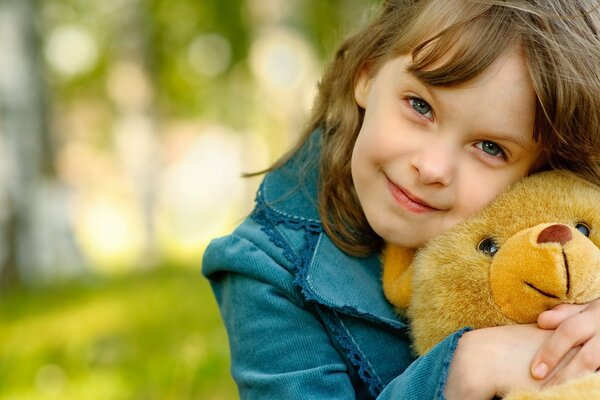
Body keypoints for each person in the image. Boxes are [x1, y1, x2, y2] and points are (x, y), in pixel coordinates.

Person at [203, 0, 600, 398]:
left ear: (539, 169)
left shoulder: (560, 235)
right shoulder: (267, 268)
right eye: (420, 106)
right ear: (368, 74)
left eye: (490, 147)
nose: (432, 168)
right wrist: (461, 370)